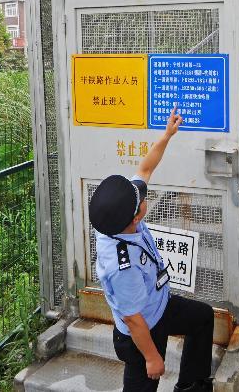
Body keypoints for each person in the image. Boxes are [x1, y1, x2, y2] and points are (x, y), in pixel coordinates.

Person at [89, 106, 214, 392]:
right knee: (144, 384)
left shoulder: (118, 217)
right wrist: (152, 357)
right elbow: (133, 319)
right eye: (141, 200)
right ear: (136, 217)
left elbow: (145, 168)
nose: (144, 194)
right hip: (140, 335)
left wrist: (167, 135)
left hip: (159, 305)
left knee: (202, 317)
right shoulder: (123, 266)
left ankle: (192, 386)